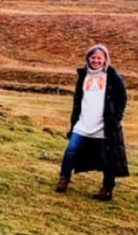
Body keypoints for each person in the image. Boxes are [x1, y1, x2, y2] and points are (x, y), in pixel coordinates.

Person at [55, 44, 129, 201]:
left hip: (104, 126)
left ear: (105, 60)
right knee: (71, 150)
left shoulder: (114, 78)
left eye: (99, 58)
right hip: (83, 123)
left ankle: (107, 189)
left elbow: (122, 99)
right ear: (88, 58)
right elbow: (79, 99)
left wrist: (115, 118)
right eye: (93, 57)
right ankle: (64, 179)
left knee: (107, 158)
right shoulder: (83, 76)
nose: (96, 60)